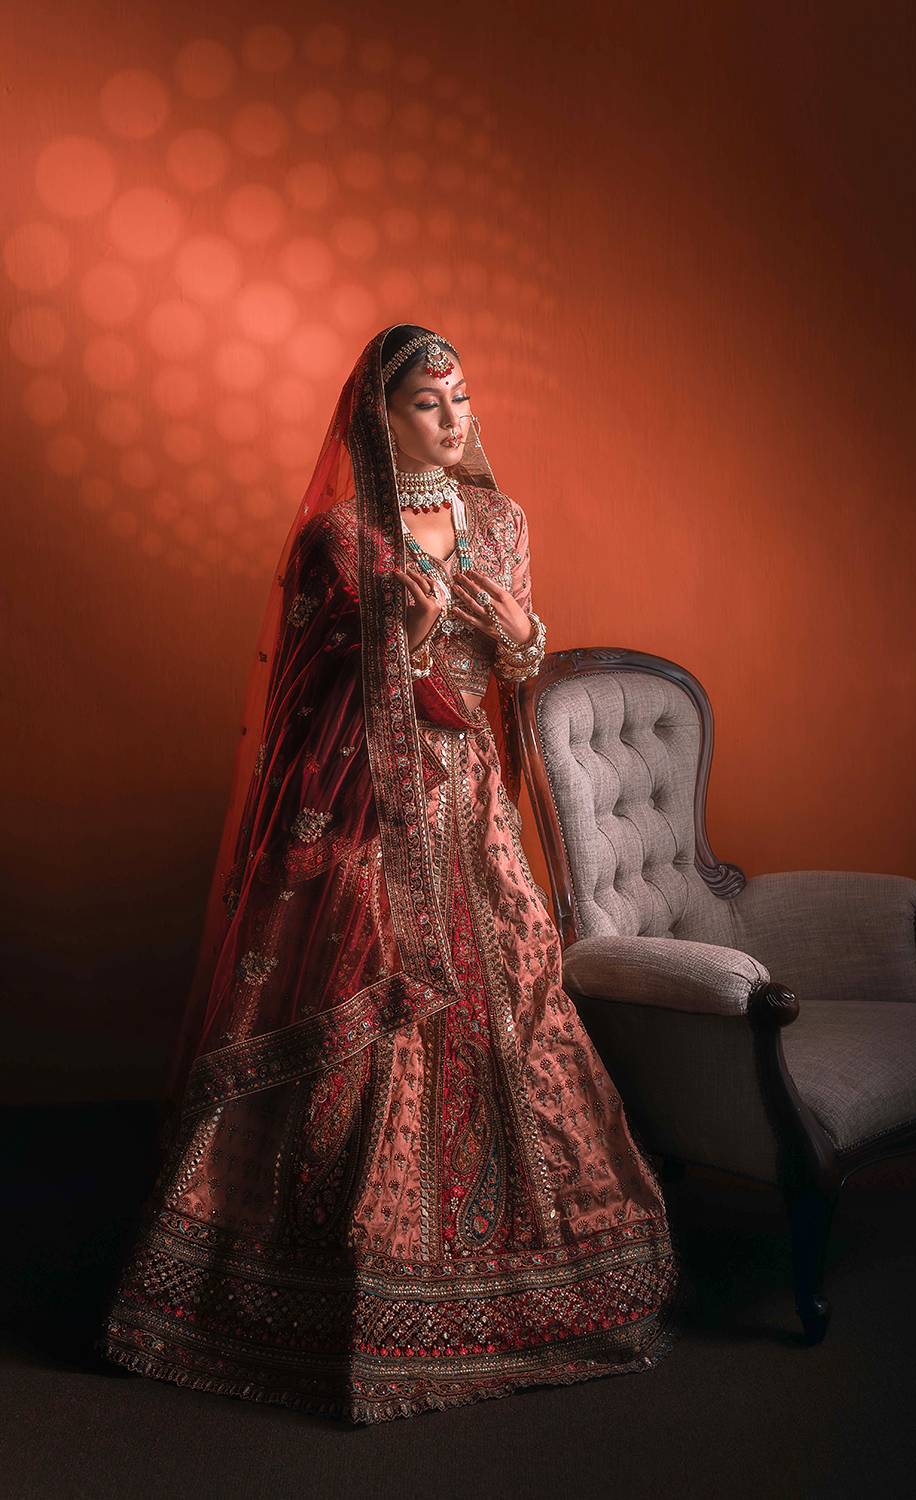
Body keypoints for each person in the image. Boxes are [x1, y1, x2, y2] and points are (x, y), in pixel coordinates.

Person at [95, 324, 680, 1424]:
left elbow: (510, 671)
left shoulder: (501, 523)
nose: (455, 420)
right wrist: (400, 640)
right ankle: (326, 1291)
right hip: (371, 814)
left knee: (514, 1007)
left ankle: (526, 1273)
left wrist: (523, 633)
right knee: (366, 1015)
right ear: (382, 418)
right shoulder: (342, 539)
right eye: (427, 403)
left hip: (472, 814)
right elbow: (306, 704)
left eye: (462, 399)